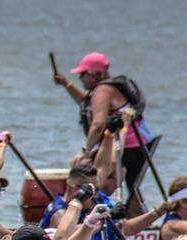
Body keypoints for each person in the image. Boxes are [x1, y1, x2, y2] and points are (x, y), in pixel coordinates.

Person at [53, 52, 152, 185]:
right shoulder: (109, 88)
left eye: (82, 74)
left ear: (94, 74)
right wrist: (66, 84)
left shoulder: (102, 90)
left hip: (126, 149)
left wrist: (85, 151)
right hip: (139, 145)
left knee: (91, 180)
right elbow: (88, 105)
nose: (80, 78)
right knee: (128, 188)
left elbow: (98, 124)